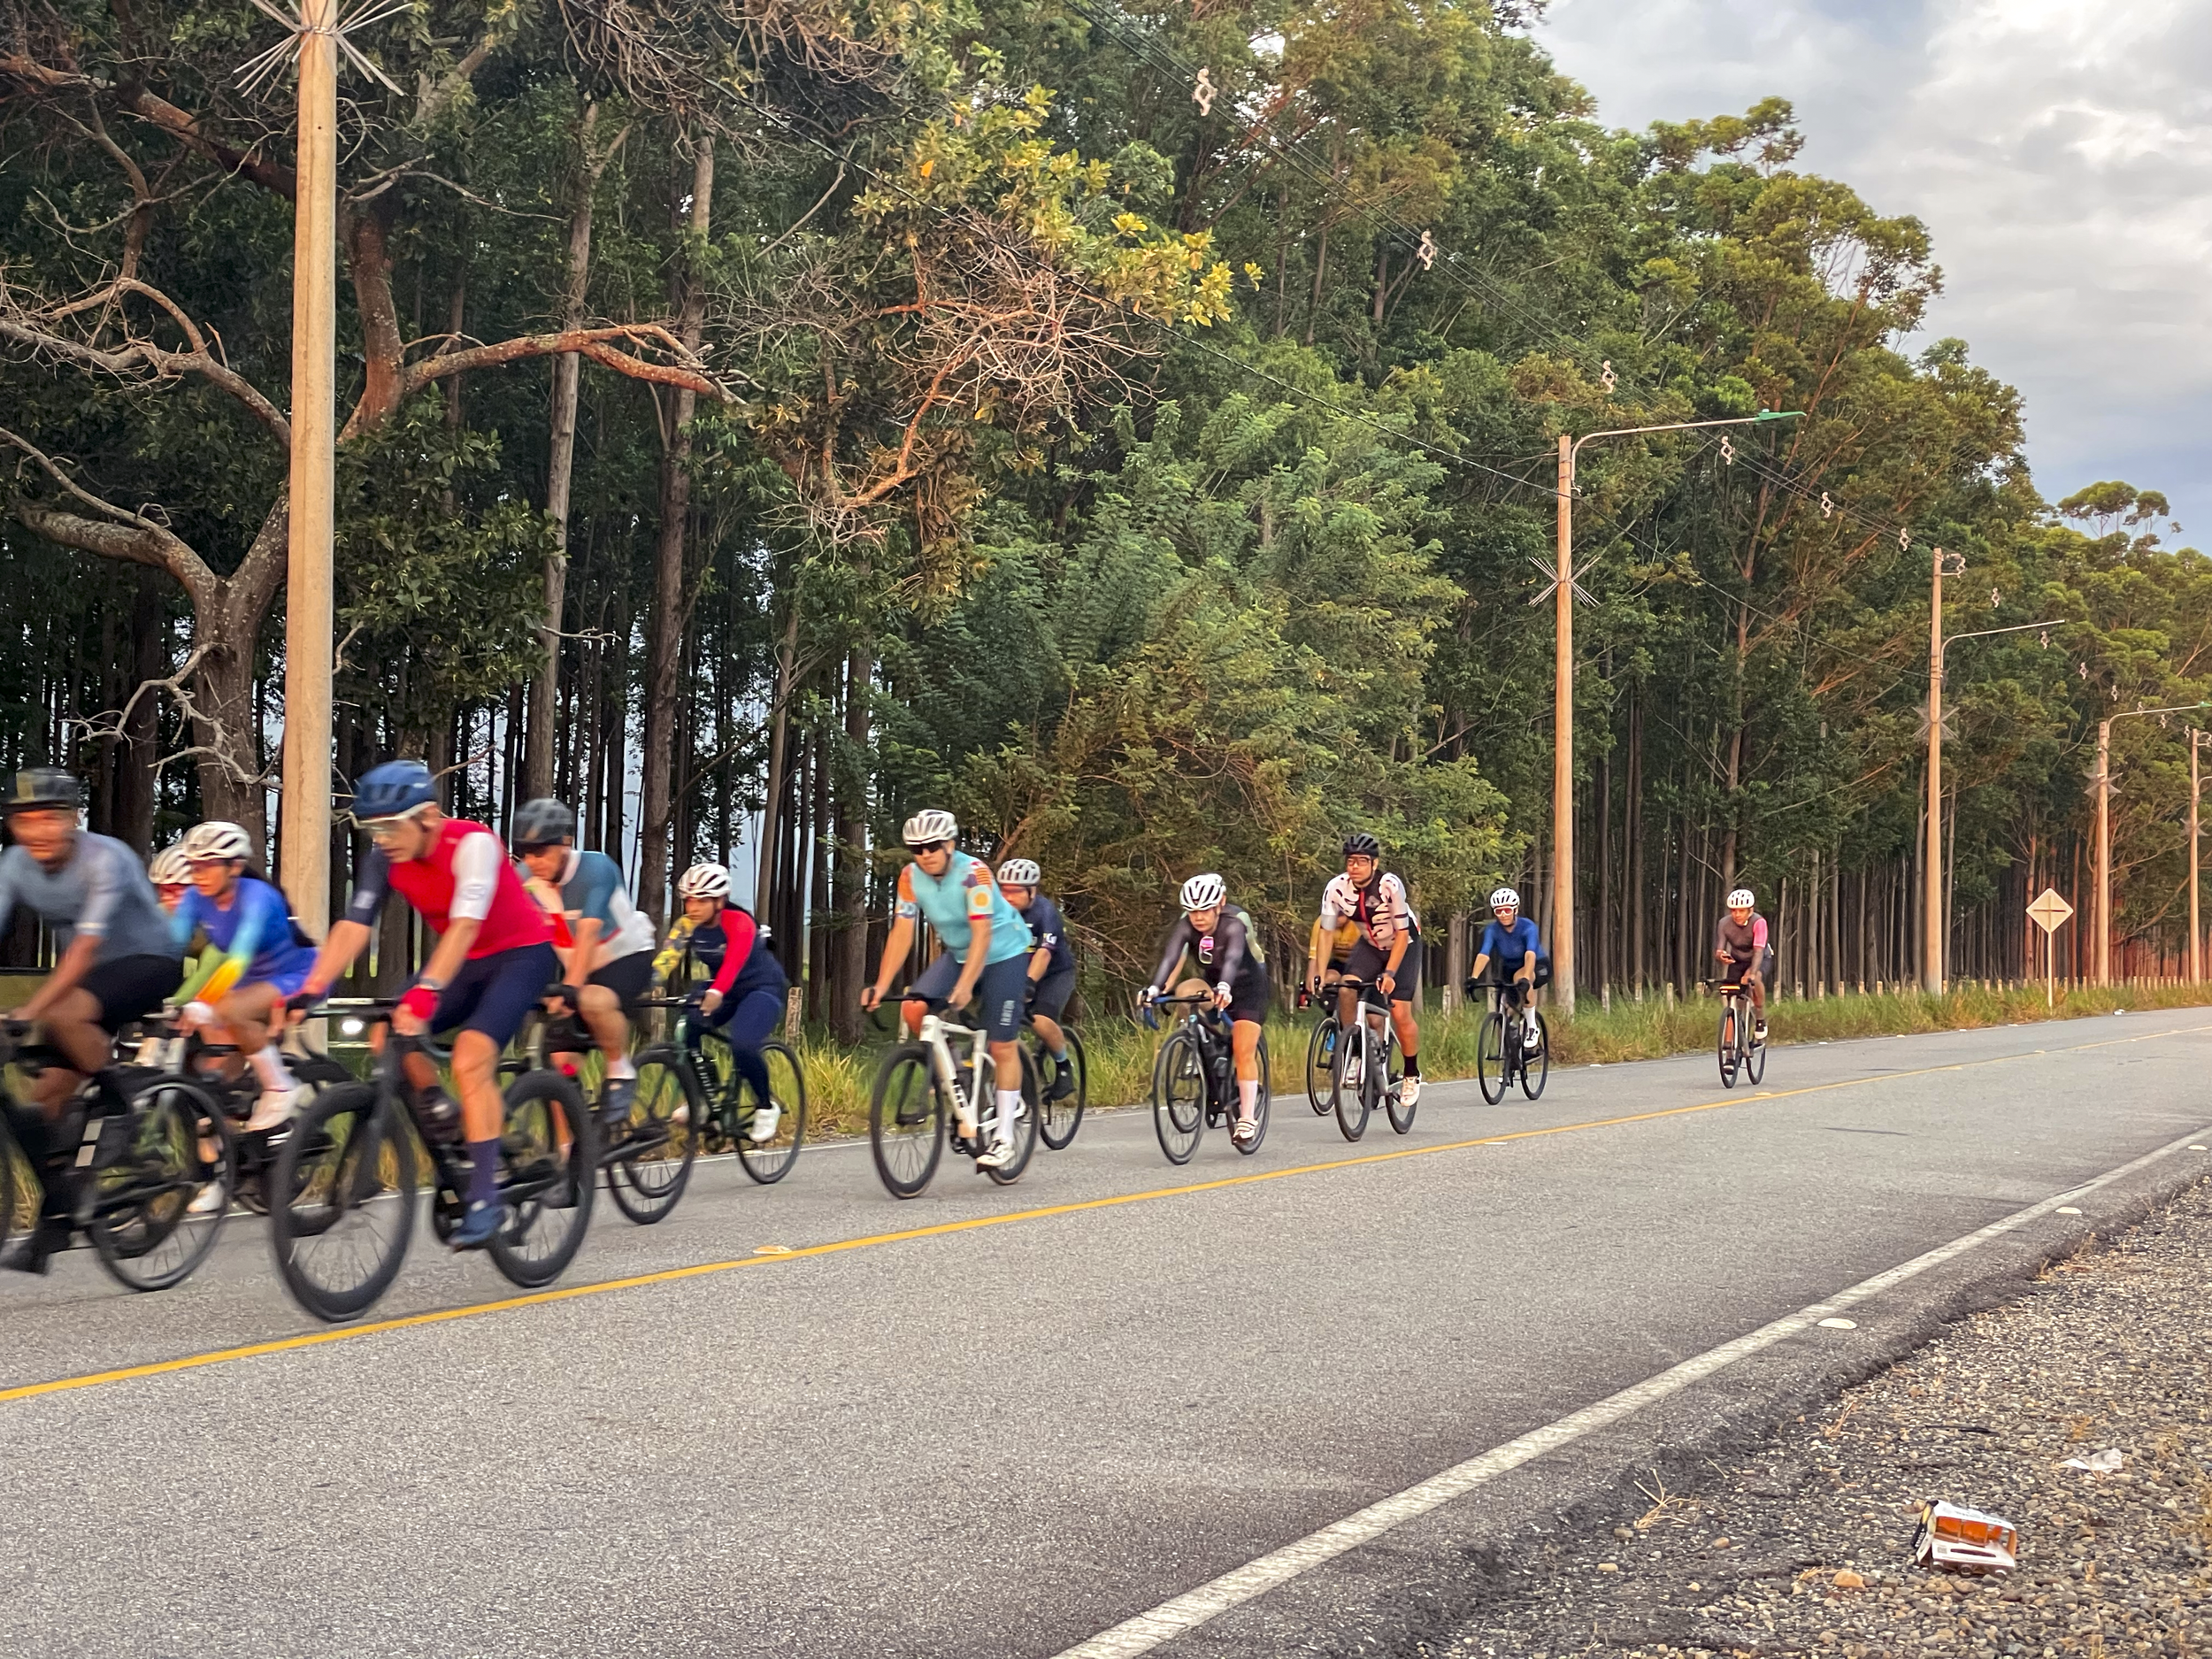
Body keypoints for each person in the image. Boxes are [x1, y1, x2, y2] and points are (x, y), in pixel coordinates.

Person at [291, 760, 557, 1250]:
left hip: (521, 955)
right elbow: (354, 926)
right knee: (385, 1034)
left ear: (429, 816)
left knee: (470, 1056)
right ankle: (440, 1110)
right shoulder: (385, 858)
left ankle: (484, 1198)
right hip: (465, 961)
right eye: (372, 828)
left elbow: (465, 925)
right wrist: (312, 986)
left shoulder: (472, 844)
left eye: (393, 826)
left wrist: (426, 987)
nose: (384, 838)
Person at [0, 768, 182, 1274]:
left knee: (60, 1015)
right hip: (89, 983)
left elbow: (83, 950)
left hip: (148, 961)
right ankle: (56, 1219)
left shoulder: (106, 857)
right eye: (24, 820)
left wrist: (29, 1011)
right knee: (46, 1098)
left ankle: (121, 1101)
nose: (38, 831)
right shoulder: (14, 865)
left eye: (50, 818)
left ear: (74, 818)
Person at [859, 810, 1033, 1169]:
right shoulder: (910, 878)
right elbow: (903, 932)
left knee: (1001, 1044)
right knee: (913, 1007)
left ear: (950, 844)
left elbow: (982, 933)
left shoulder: (975, 874)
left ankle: (1003, 1138)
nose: (925, 854)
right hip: (958, 954)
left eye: (933, 846)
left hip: (1004, 953)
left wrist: (968, 984)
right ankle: (961, 1075)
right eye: (917, 849)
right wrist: (880, 985)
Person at [511, 799, 656, 1129]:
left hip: (626, 956)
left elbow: (588, 934)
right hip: (579, 964)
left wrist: (571, 988)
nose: (533, 862)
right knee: (559, 1064)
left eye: (541, 852)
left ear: (566, 844)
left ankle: (620, 1070)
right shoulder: (524, 877)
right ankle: (570, 1154)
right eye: (525, 853)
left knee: (590, 999)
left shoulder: (596, 868)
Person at [168, 820, 320, 1133]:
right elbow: (168, 948)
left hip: (295, 973)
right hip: (247, 980)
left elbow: (238, 957)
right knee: (215, 1072)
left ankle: (280, 1088)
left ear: (235, 866)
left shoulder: (258, 897)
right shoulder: (195, 898)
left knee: (228, 1010)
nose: (199, 875)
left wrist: (206, 1000)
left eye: (209, 866)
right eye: (194, 867)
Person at [654, 863, 788, 1141]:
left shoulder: (738, 922)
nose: (693, 907)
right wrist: (641, 987)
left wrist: (716, 991)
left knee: (744, 1044)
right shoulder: (686, 926)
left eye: (702, 900)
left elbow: (734, 961)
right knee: (686, 1030)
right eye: (689, 900)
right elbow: (665, 962)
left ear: (719, 901)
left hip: (761, 987)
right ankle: (705, 1095)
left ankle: (766, 1105)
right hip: (722, 988)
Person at [1145, 872, 1270, 1147]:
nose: (1198, 917)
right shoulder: (1186, 925)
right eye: (1192, 912)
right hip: (1213, 984)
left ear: (1220, 904)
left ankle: (1247, 1118)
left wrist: (1225, 986)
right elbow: (1171, 957)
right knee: (1186, 991)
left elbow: (1234, 956)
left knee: (1242, 1047)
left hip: (1248, 987)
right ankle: (1196, 1047)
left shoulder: (1234, 923)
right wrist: (1154, 989)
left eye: (1204, 910)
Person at [1309, 832, 1424, 1108]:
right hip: (1370, 945)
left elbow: (1401, 932)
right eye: (1350, 861)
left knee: (1398, 1010)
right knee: (1347, 988)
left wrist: (1391, 973)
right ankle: (1356, 1050)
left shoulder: (1389, 885)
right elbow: (1325, 932)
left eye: (1362, 861)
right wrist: (1320, 973)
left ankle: (1411, 1072)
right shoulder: (1336, 887)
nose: (1355, 867)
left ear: (1374, 863)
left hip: (1403, 944)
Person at [995, 857, 1076, 1102]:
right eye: (1003, 890)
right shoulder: (997, 912)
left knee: (1039, 1020)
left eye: (1015, 892)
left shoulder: (1045, 912)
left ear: (1032, 891)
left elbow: (1043, 953)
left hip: (1055, 973)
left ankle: (1063, 1066)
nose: (1008, 897)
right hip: (1017, 972)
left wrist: (1029, 982)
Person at [1467, 886, 1550, 1041]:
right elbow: (1484, 954)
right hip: (1509, 968)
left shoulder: (1528, 927)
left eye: (1507, 910)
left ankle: (1532, 1027)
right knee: (1507, 1007)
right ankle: (1512, 1040)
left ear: (1515, 910)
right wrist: (1473, 978)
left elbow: (1530, 954)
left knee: (1521, 979)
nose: (1503, 915)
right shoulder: (1492, 930)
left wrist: (1526, 978)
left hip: (1537, 965)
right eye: (1499, 911)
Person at [1714, 887, 1772, 1042]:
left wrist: (1752, 974)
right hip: (1738, 960)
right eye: (1733, 911)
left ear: (1750, 910)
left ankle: (1760, 1019)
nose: (1737, 914)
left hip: (1760, 957)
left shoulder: (1758, 922)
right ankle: (1730, 1046)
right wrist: (1721, 955)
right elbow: (1719, 948)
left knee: (1754, 980)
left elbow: (1758, 951)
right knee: (1732, 997)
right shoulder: (1724, 923)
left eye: (1741, 911)